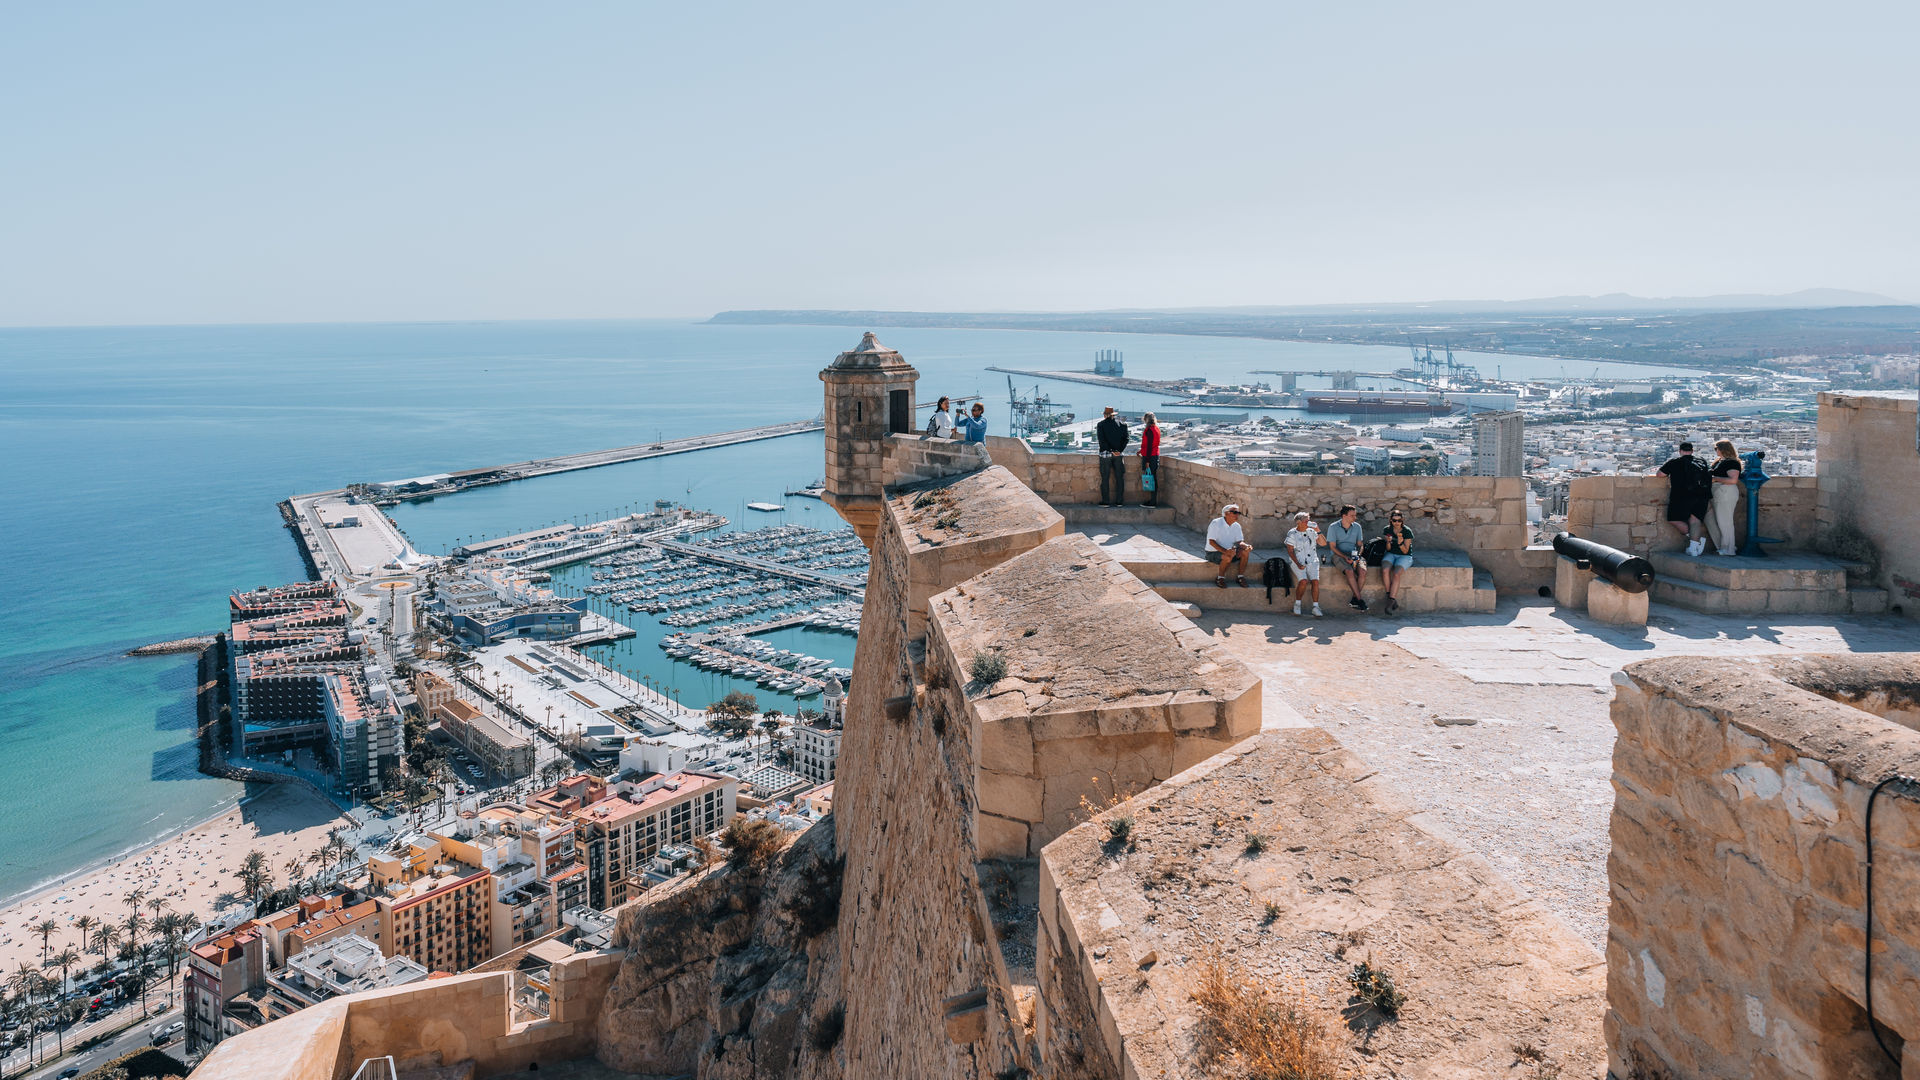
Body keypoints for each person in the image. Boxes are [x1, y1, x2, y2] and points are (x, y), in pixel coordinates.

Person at [1653, 441, 1712, 556]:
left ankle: (1695, 541)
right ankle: (1693, 548)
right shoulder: (1701, 461)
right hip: (1701, 495)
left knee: (1673, 519)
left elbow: (1659, 474)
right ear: (1692, 451)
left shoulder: (1675, 462)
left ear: (1680, 451)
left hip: (1681, 496)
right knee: (1695, 521)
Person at [1325, 504, 1368, 611]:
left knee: (1362, 571)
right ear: (1344, 516)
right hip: (1338, 554)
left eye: (1355, 515)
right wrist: (1344, 557)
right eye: (1352, 515)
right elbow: (1332, 547)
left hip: (1354, 554)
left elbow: (1360, 544)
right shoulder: (1333, 527)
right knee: (1349, 571)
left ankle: (1354, 599)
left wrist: (1358, 555)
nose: (1355, 518)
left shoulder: (1357, 527)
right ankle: (1360, 600)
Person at [1704, 438, 1742, 556]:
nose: (1715, 451)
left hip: (1725, 491)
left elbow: (1733, 480)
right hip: (1717, 492)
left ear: (1723, 449)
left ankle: (1729, 549)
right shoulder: (1719, 461)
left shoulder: (1732, 462)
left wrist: (1715, 479)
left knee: (1725, 522)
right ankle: (1722, 546)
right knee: (1711, 519)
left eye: (1717, 448)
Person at [1285, 511, 1324, 617]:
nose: (1308, 522)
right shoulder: (1292, 533)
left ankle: (1316, 607)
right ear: (1299, 522)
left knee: (1315, 581)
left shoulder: (1312, 531)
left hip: (1312, 561)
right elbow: (1290, 550)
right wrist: (1297, 563)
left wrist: (1318, 531)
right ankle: (1297, 604)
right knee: (1303, 581)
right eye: (1306, 520)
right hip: (1298, 560)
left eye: (1309, 520)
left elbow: (1323, 543)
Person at [1206, 504, 1253, 588]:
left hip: (1230, 552)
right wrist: (1225, 551)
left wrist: (1246, 546)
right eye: (1235, 512)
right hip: (1213, 553)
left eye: (1238, 513)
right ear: (1226, 513)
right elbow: (1211, 542)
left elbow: (1240, 542)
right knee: (1227, 556)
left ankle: (1240, 577)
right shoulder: (1216, 523)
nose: (1237, 515)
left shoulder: (1237, 526)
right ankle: (1220, 578)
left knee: (1245, 552)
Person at [1380, 510, 1414, 614]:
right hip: (1391, 553)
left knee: (1396, 573)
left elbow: (1405, 550)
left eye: (1399, 520)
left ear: (1402, 520)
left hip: (1405, 556)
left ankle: (1390, 601)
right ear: (1391, 520)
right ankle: (1389, 594)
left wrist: (1400, 543)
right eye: (1394, 520)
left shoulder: (1407, 531)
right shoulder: (1387, 529)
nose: (1397, 523)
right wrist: (1389, 542)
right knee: (1385, 570)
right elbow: (1388, 549)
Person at [1096, 406, 1130, 506]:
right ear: (1113, 415)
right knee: (1119, 478)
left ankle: (1106, 501)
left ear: (1105, 415)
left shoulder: (1101, 425)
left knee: (1105, 478)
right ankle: (1119, 501)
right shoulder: (1122, 425)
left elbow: (1101, 441)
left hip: (1105, 454)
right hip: (1118, 455)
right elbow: (1126, 439)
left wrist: (1111, 450)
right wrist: (1118, 451)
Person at [1137, 412, 1162, 508]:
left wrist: (1147, 461)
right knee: (1153, 478)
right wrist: (1140, 451)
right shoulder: (1156, 429)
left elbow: (1149, 447)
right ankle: (1152, 500)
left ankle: (1152, 502)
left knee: (1152, 479)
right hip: (1155, 455)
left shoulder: (1149, 430)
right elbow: (1151, 445)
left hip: (1150, 457)